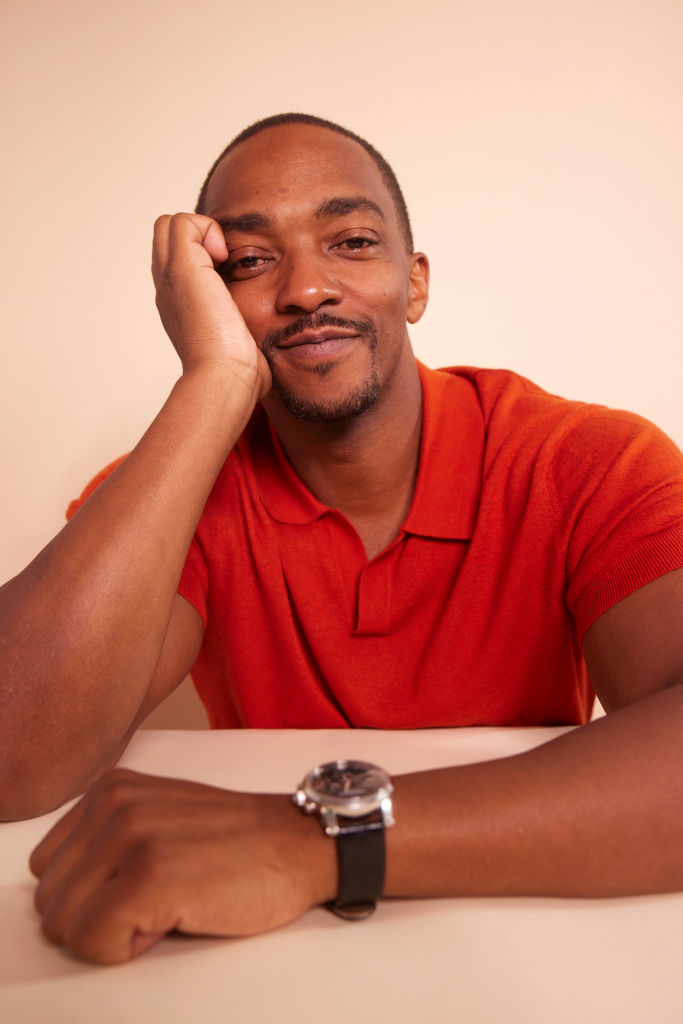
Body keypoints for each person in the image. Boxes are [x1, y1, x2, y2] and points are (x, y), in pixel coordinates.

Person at [1, 113, 682, 965]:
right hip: (260, 963)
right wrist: (213, 379)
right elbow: (11, 756)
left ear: (417, 282)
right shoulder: (174, 491)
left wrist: (315, 842)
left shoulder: (589, 463)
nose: (305, 289)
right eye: (250, 262)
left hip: (537, 935)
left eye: (351, 242)